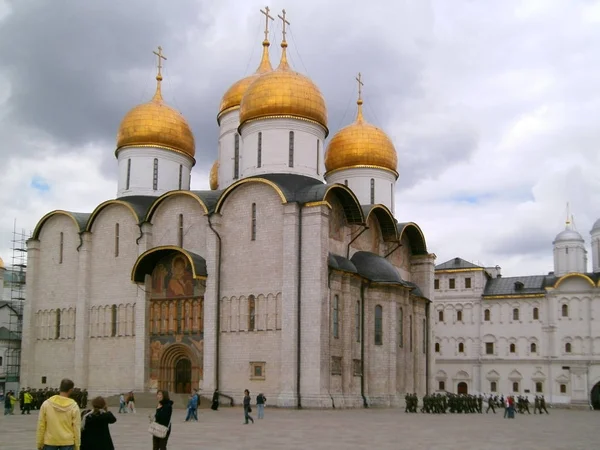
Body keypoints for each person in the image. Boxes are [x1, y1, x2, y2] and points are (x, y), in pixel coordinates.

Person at [36, 378, 81, 450]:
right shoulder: (74, 406)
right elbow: (76, 427)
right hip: (67, 441)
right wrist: (77, 445)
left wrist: (39, 443)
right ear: (70, 390)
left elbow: (41, 425)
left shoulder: (46, 404)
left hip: (50, 440)